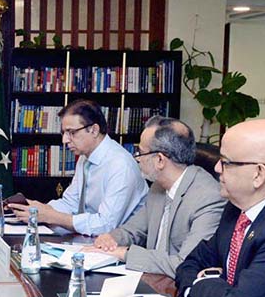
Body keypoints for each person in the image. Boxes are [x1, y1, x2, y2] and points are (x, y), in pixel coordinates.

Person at [175, 119, 265, 297]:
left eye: (225, 162)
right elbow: (190, 264)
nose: (217, 168)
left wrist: (200, 284)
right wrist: (200, 286)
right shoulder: (237, 207)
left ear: (258, 174)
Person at [88, 116, 225, 277]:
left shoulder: (208, 198)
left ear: (160, 160)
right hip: (150, 279)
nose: (137, 159)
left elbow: (186, 263)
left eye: (141, 152)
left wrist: (124, 253)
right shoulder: (158, 186)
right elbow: (133, 230)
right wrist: (111, 239)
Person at [9, 99, 147, 236]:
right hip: (91, 240)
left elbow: (105, 225)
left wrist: (51, 216)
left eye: (71, 133)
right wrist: (40, 209)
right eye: (64, 133)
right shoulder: (85, 157)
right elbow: (71, 203)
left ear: (94, 130)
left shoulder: (121, 165)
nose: (65, 140)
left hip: (117, 246)